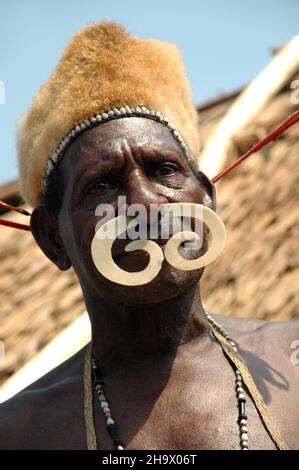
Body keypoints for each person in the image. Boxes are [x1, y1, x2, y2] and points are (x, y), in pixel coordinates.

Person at [0, 21, 298, 450]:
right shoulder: (19, 433)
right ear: (53, 239)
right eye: (101, 184)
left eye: (163, 170)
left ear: (207, 199)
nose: (144, 203)